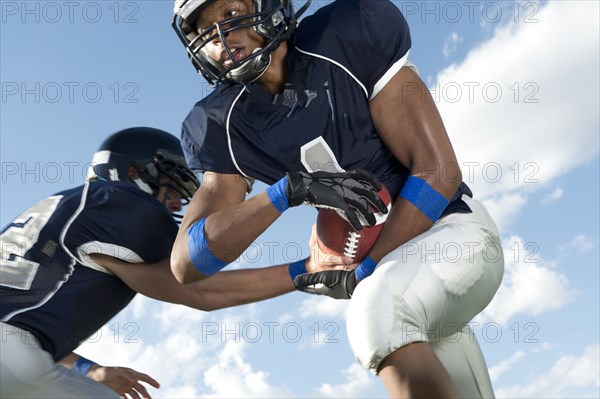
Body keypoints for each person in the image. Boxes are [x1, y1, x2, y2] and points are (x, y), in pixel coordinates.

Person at [171, 0, 505, 398]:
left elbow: (439, 171)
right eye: (206, 30)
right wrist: (290, 191)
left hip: (452, 231)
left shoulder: (347, 36)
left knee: (380, 313)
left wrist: (364, 270)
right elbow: (187, 263)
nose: (221, 37)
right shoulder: (220, 123)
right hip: (399, 277)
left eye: (231, 14)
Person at [0, 126, 356, 399]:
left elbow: (21, 318)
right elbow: (196, 290)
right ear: (136, 172)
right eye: (173, 190)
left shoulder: (62, 208)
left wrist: (87, 368)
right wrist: (303, 269)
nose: (176, 205)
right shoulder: (120, 202)